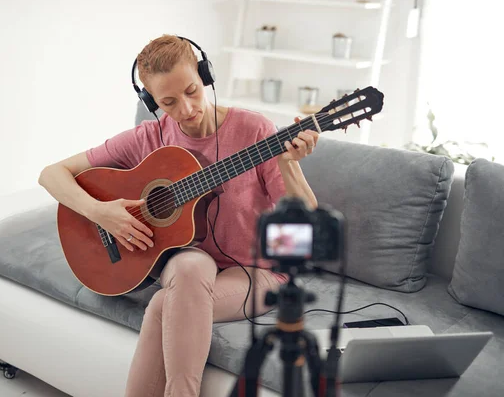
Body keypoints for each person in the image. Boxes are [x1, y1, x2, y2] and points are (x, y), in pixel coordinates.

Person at [38, 34, 319, 397]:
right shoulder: (148, 138)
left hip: (259, 272)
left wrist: (288, 164)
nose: (186, 109)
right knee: (189, 267)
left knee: (164, 303)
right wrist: (101, 212)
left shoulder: (254, 131)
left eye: (191, 91)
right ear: (150, 101)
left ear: (205, 76)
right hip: (189, 265)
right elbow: (51, 173)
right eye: (168, 102)